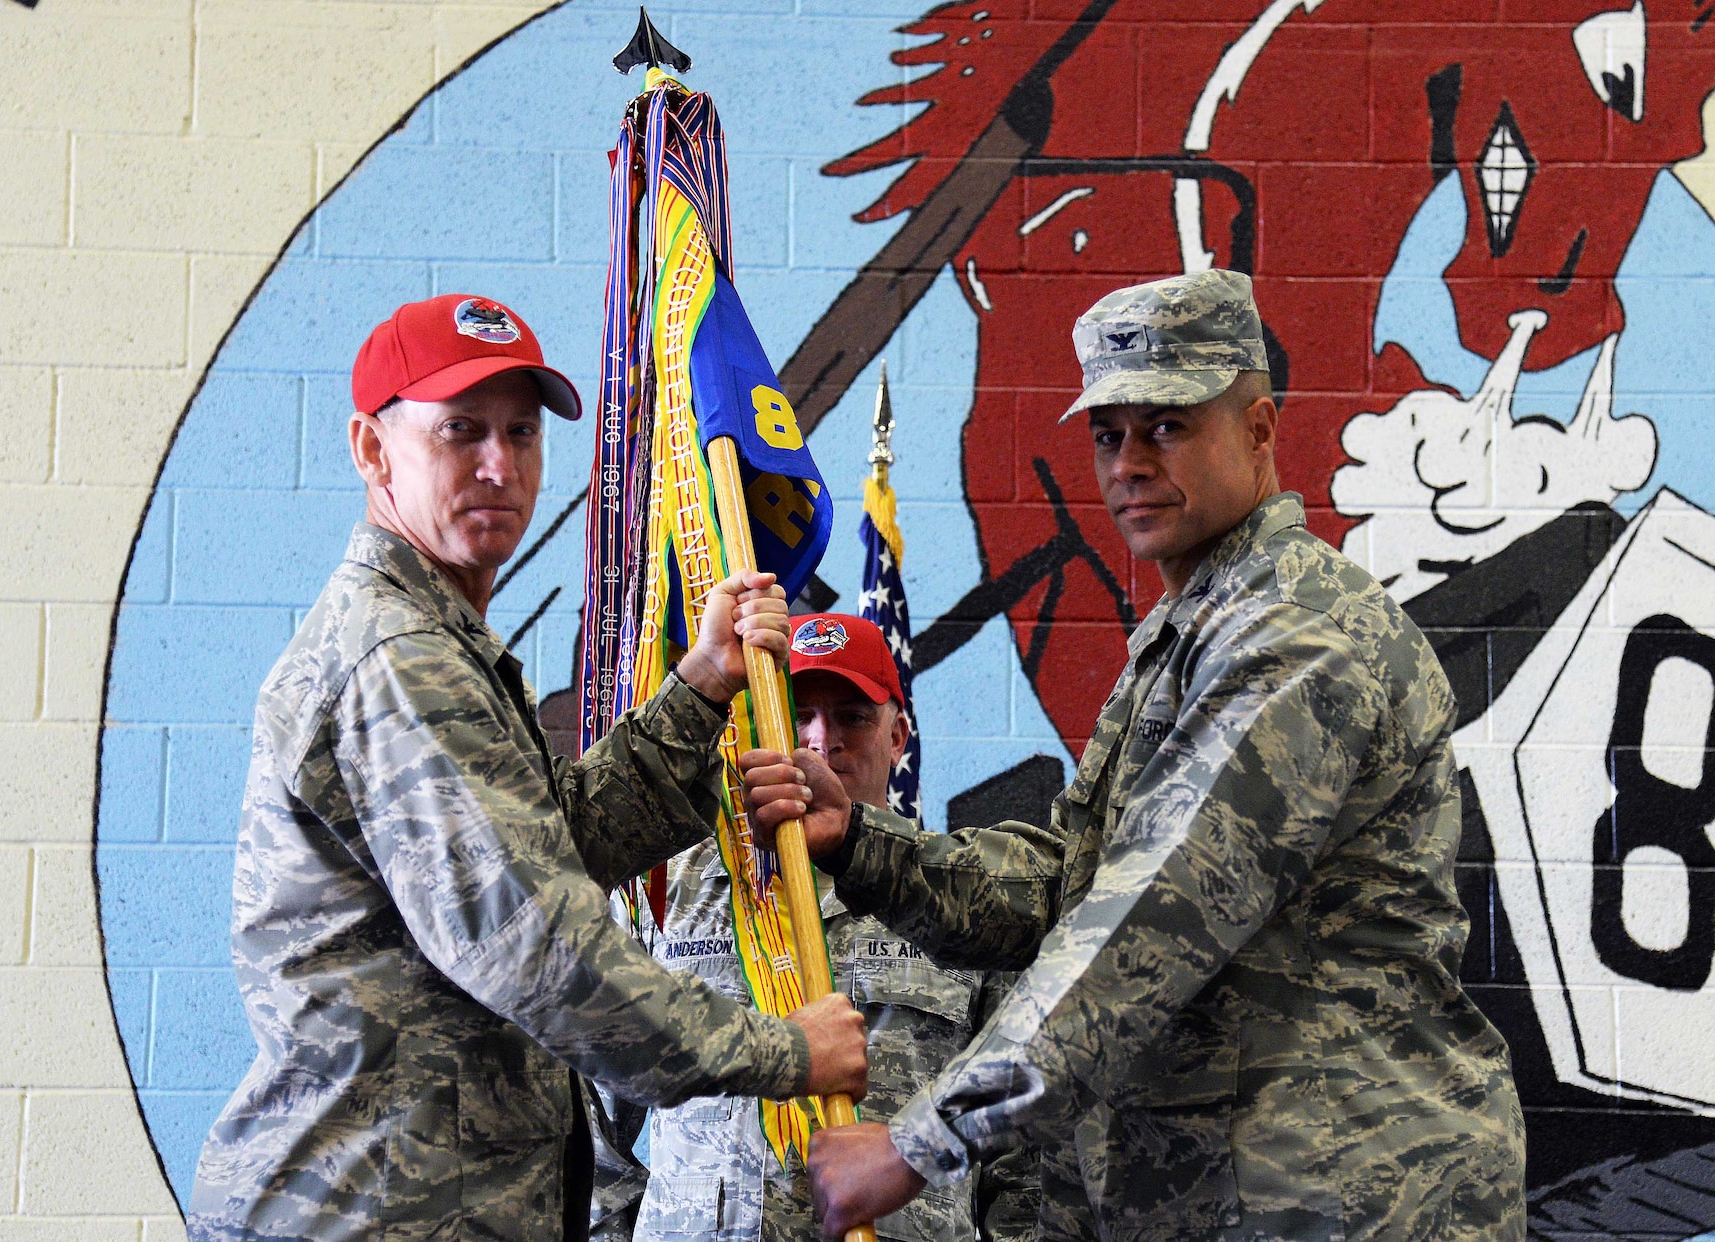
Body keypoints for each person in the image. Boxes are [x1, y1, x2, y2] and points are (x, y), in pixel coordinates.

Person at [742, 270, 1527, 1241]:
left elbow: (1148, 922)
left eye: (1167, 426)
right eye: (1108, 434)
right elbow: (1066, 885)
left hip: (1347, 1198)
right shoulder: (1192, 634)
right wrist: (863, 846)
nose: (1129, 463)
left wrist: (915, 1144)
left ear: (1257, 428)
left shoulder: (1296, 640)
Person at [187, 294, 869, 1242]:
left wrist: (704, 683)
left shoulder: (438, 639)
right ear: (373, 451)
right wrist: (783, 1050)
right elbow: (539, 946)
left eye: (521, 432)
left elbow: (562, 844)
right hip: (375, 1212)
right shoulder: (399, 660)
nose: (499, 465)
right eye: (460, 432)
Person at [633, 614, 1035, 1242]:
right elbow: (597, 1117)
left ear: (897, 736)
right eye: (799, 714)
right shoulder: (671, 892)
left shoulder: (964, 900)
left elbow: (1021, 1158)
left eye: (853, 716)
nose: (823, 740)